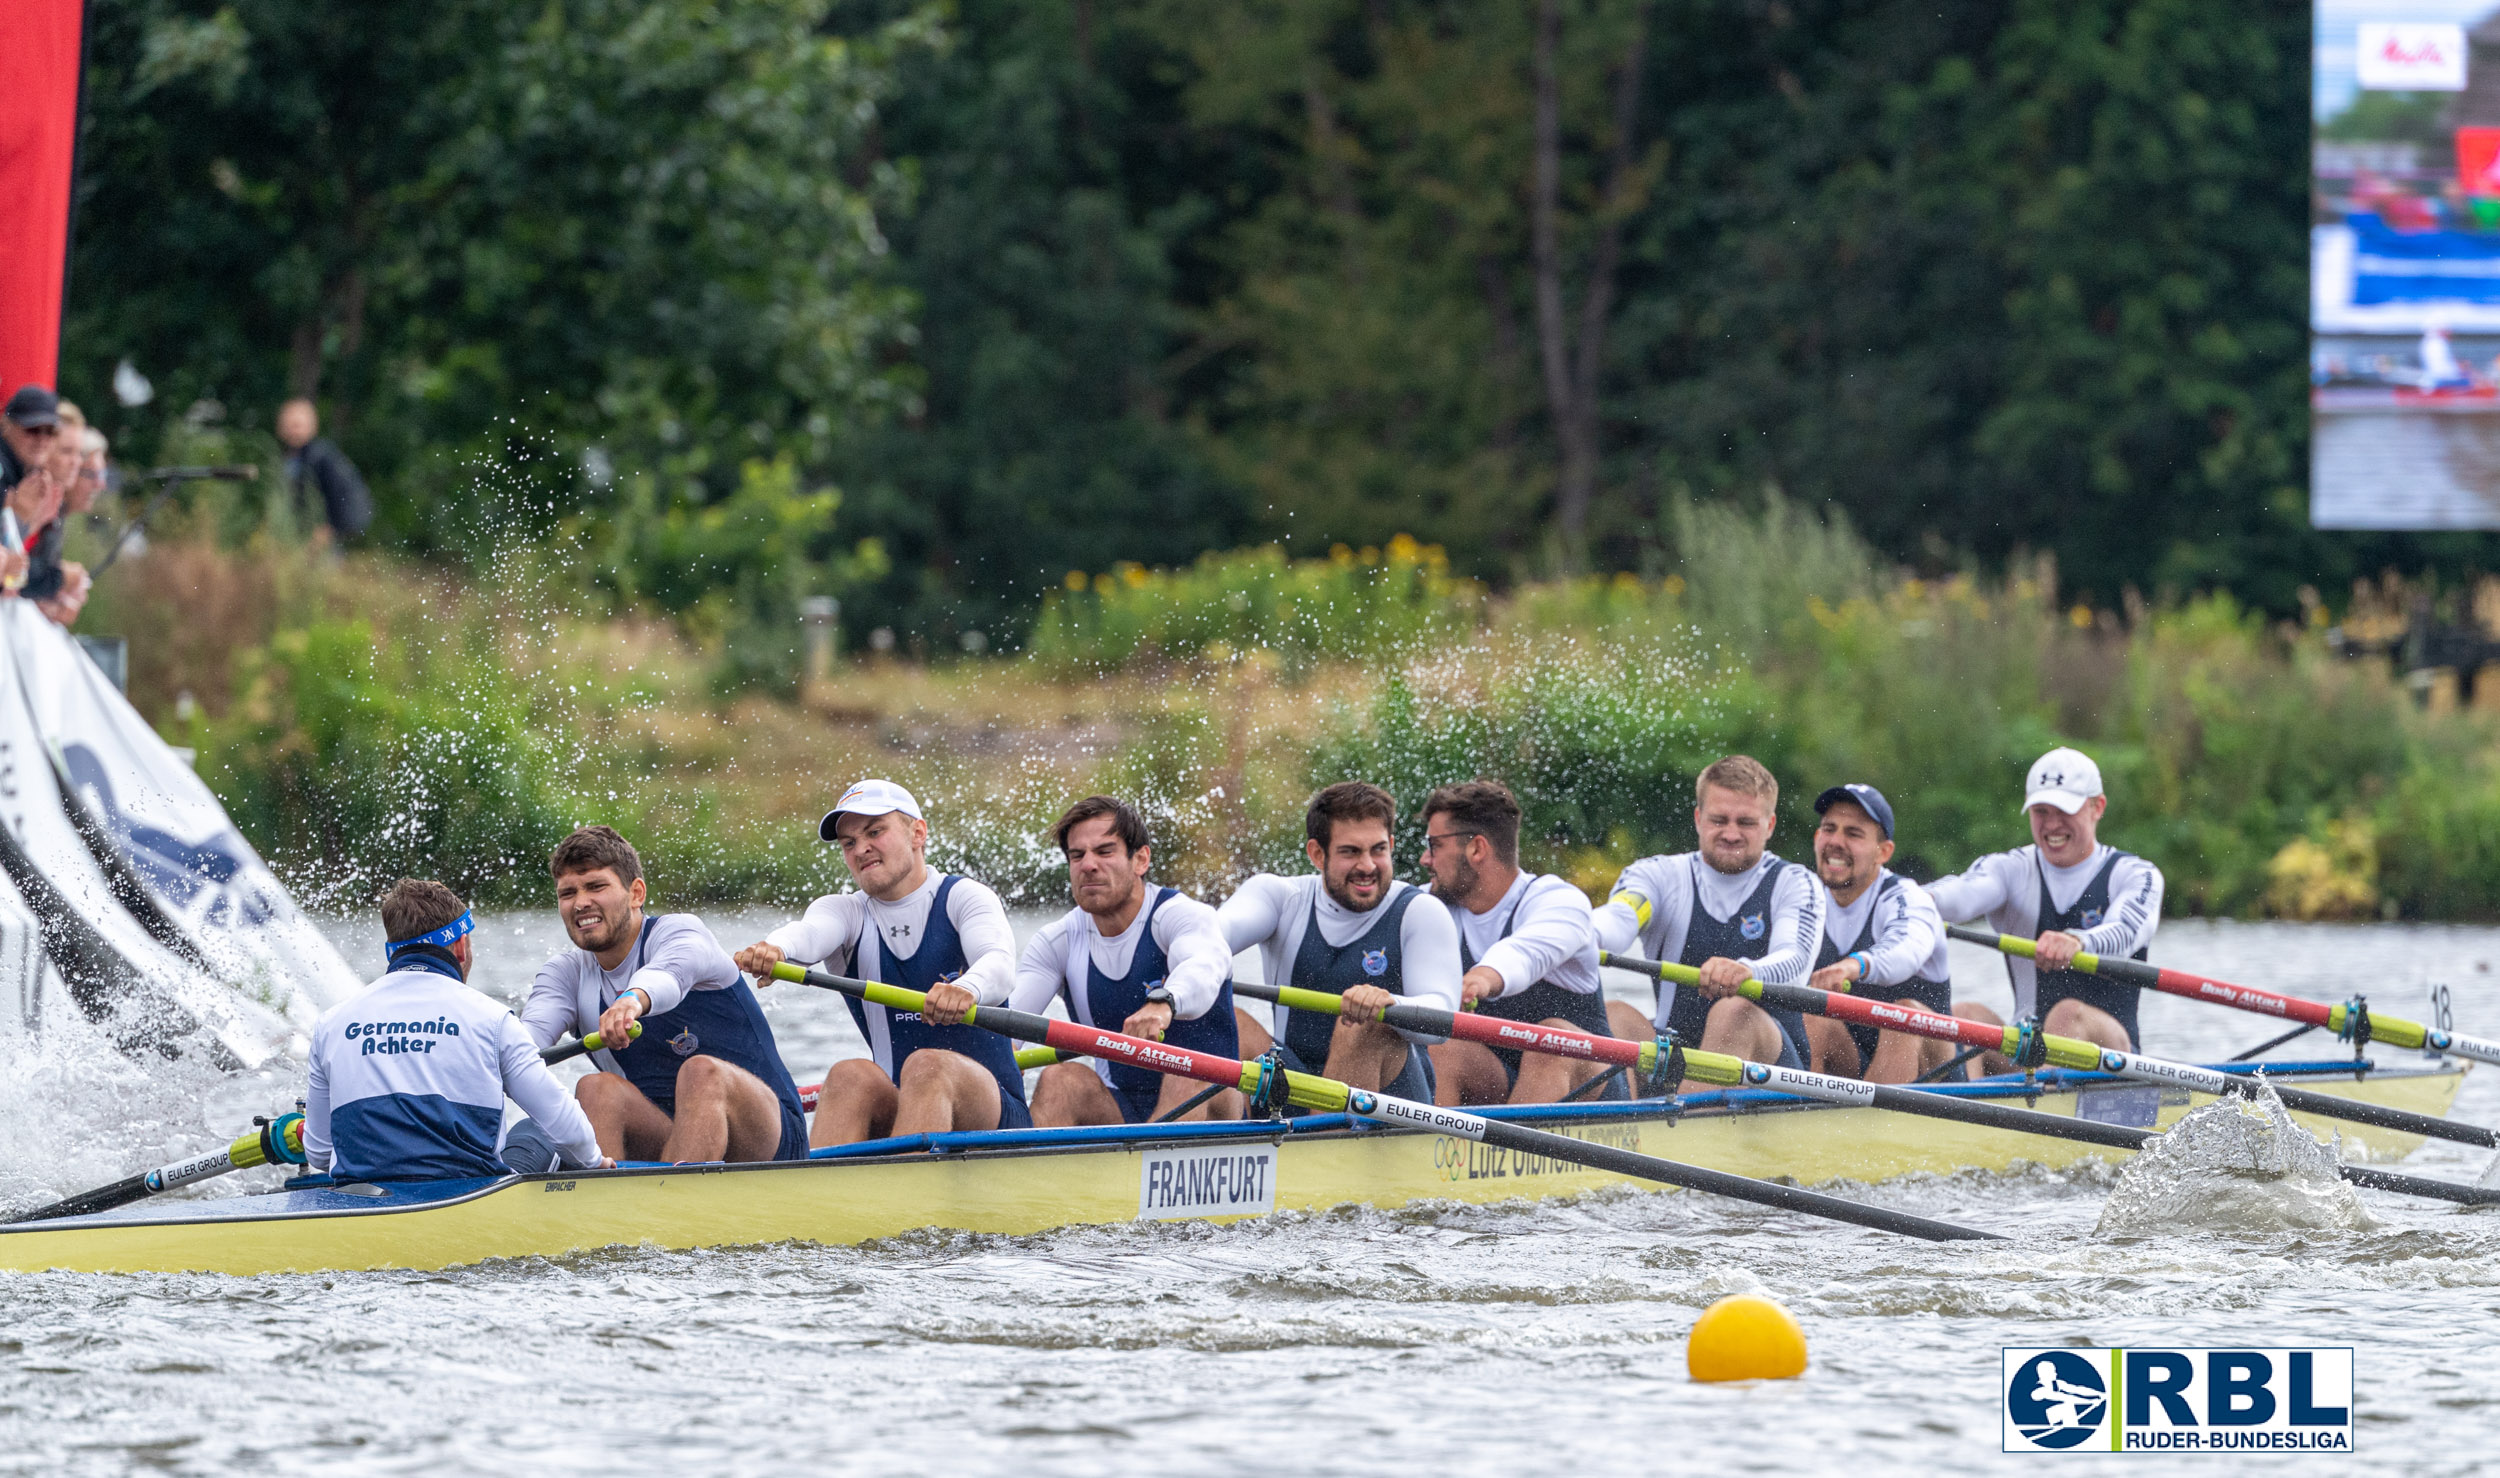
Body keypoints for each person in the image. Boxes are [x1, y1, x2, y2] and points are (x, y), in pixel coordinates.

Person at [733, 779, 1031, 1146]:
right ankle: (818, 1197)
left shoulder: (964, 897)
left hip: (997, 1114)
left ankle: (902, 1194)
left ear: (917, 833)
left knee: (928, 1065)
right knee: (849, 1075)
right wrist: (774, 949)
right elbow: (807, 934)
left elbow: (999, 964)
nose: (862, 849)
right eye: (849, 843)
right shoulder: (845, 912)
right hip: (905, 1106)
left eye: (875, 831)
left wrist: (966, 988)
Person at [521, 825, 809, 1164]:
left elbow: (667, 975)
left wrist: (631, 1000)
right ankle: (599, 1208)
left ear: (636, 894)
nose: (581, 903)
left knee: (700, 1073)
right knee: (595, 1089)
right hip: (667, 1135)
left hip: (768, 1137)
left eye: (596, 886)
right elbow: (524, 1043)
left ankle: (666, 1207)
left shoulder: (680, 932)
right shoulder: (564, 974)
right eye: (567, 893)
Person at [303, 878, 606, 1183]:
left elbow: (318, 1153)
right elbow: (569, 1132)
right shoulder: (494, 1020)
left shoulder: (331, 1024)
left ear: (392, 950)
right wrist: (596, 1163)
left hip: (364, 1202)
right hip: (469, 1203)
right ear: (460, 947)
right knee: (532, 1130)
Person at [1220, 781, 1462, 1099]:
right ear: (1317, 854)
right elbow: (1210, 939)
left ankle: (1326, 1138)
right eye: (1350, 852)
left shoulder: (1420, 911)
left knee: (1364, 1023)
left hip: (1392, 1100)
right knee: (1225, 1016)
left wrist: (1391, 1004)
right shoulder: (1279, 897)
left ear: (1390, 844)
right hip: (1294, 1085)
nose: (1367, 866)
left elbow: (1442, 1019)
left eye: (1378, 850)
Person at [1014, 795, 1244, 1125]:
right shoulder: (1057, 942)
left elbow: (1202, 966)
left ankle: (1140, 1164)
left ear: (1141, 860)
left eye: (1104, 852)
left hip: (1216, 1104)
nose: (1088, 865)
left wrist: (1164, 1003)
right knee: (1059, 1079)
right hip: (1124, 1110)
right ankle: (1028, 1169)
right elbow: (1008, 1028)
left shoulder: (1182, 916)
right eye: (1077, 856)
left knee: (1187, 1066)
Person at [1925, 747, 2163, 1061]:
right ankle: (1962, 1105)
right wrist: (1903, 899)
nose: (2052, 825)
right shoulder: (2011, 870)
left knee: (2065, 1015)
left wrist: (2077, 941)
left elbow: (2126, 932)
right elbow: (1957, 897)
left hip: (2113, 1056)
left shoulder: (2134, 874)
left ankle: (2045, 1097)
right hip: (2027, 1058)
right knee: (1966, 1015)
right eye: (2041, 812)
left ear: (2097, 807)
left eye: (2064, 810)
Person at [1592, 755, 1824, 1067]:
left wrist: (1747, 971)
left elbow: (1795, 959)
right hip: (1675, 1056)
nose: (1731, 834)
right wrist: (1582, 934)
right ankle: (1618, 1115)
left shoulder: (1795, 882)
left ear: (1769, 826)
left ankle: (1685, 1113)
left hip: (1773, 1068)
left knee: (1733, 1012)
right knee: (1615, 1015)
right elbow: (1621, 918)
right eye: (1719, 820)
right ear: (1698, 818)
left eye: (1746, 822)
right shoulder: (1658, 876)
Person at [1414, 778, 1617, 1106]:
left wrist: (1483, 978)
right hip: (1499, 1083)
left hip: (1591, 1092)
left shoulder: (1559, 901)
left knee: (1550, 1041)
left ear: (1477, 849)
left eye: (1434, 845)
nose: (1425, 859)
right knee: (1443, 1047)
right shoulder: (1428, 906)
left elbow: (1522, 955)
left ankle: (1503, 1155)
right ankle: (1424, 1151)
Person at [1795, 783, 1956, 1082]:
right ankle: (1799, 1118)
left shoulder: (1907, 898)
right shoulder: (1801, 901)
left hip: (1935, 1077)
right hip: (1855, 1066)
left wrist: (1855, 965)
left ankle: (1878, 1125)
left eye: (1853, 834)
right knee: (1813, 1016)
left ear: (1883, 852)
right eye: (1829, 829)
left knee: (1903, 1016)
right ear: (1817, 838)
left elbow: (1905, 950)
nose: (1836, 842)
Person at [276, 397, 374, 545]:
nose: (292, 431)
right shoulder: (288, 457)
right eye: (288, 425)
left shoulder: (323, 456)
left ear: (312, 426)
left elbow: (348, 493)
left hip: (326, 538)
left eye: (297, 425)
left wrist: (331, 528)